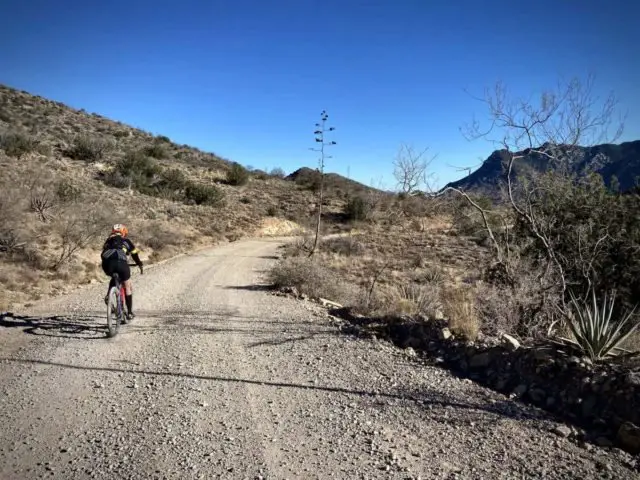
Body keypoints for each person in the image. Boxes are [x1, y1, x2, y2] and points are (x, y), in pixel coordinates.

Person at [101, 224, 143, 321]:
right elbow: (134, 254)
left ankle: (108, 296)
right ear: (123, 232)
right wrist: (140, 264)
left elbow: (103, 254)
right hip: (121, 263)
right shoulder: (126, 241)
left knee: (113, 276)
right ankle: (129, 313)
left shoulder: (108, 241)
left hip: (107, 264)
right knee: (127, 286)